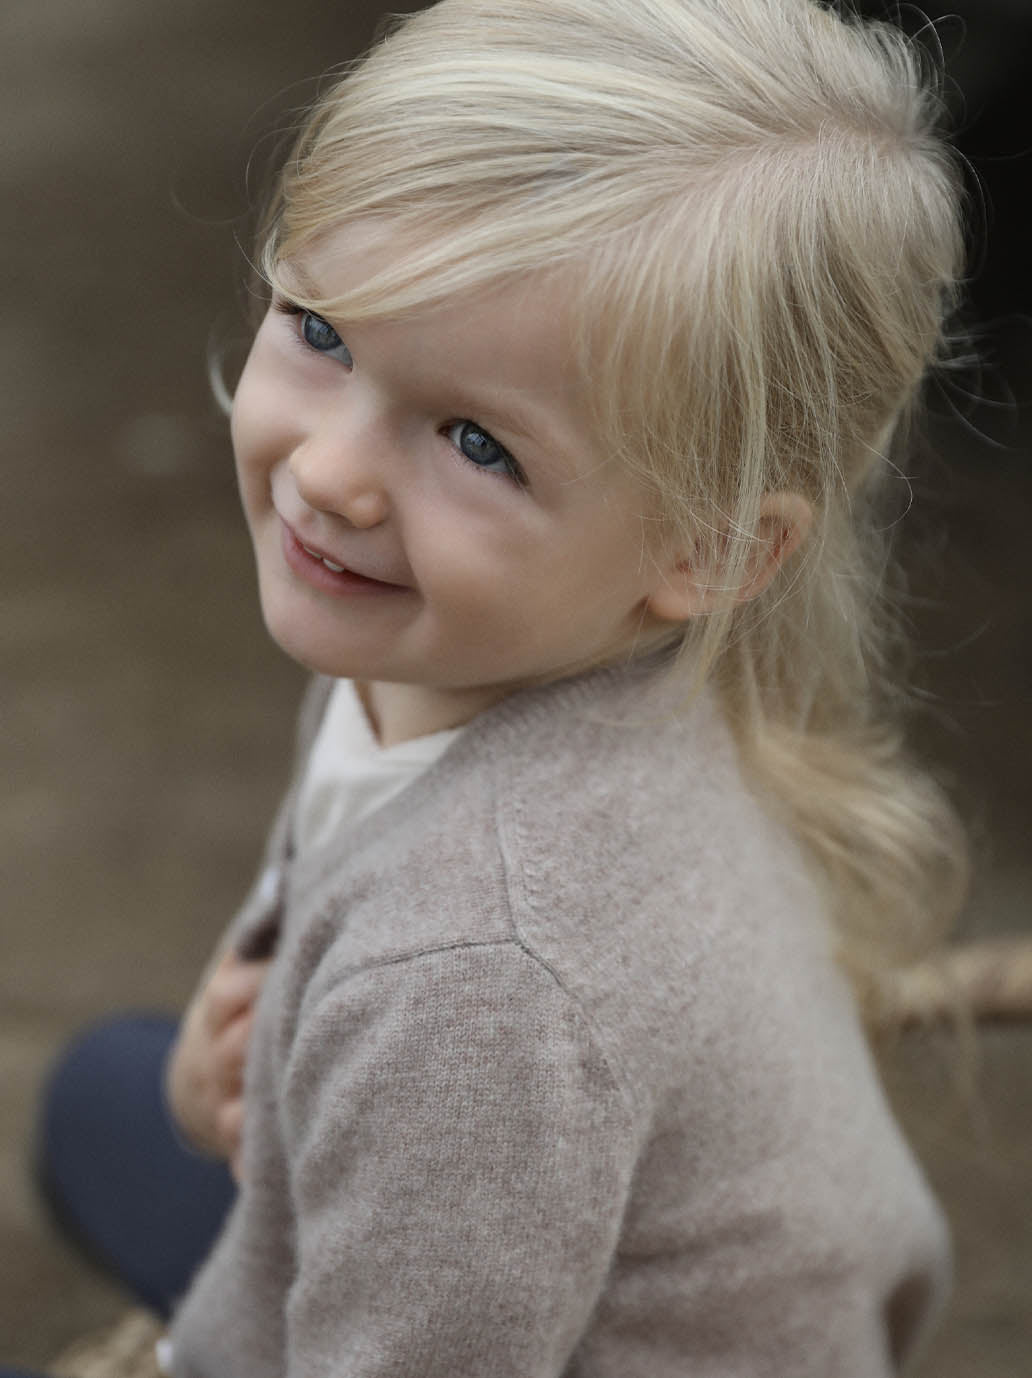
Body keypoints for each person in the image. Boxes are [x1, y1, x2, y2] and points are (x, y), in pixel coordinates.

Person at [21, 0, 970, 1373]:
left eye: (477, 442)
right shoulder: (446, 642)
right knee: (108, 1098)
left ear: (708, 550)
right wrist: (226, 1080)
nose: (331, 473)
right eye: (324, 331)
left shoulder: (485, 974)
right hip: (448, 1204)